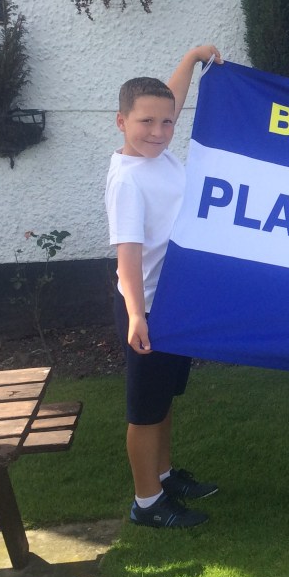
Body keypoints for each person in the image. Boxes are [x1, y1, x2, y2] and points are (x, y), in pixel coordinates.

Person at [106, 44, 223, 527]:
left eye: (166, 124)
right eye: (146, 123)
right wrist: (137, 315)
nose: (158, 131)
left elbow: (168, 100)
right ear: (121, 122)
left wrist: (192, 58)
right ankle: (147, 503)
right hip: (147, 306)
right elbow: (128, 257)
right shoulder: (128, 180)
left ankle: (164, 474)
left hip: (170, 303)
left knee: (163, 401)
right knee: (145, 411)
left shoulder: (157, 154)